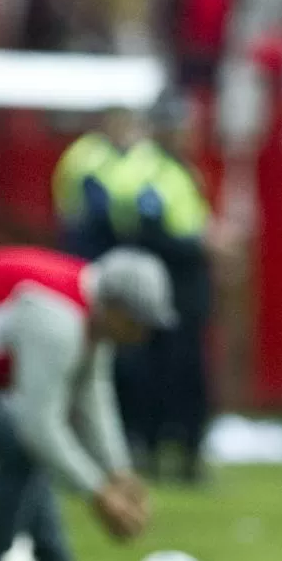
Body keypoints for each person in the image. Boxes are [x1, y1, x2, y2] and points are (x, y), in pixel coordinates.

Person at [0, 246, 161, 561]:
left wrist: (119, 472)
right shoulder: (58, 320)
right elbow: (40, 428)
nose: (141, 337)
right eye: (138, 324)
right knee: (24, 448)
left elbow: (94, 396)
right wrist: (99, 494)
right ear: (117, 310)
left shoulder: (91, 303)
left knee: (30, 449)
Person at [108, 94, 224, 480]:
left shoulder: (180, 170)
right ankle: (153, 449)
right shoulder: (148, 171)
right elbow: (149, 232)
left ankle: (183, 450)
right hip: (166, 284)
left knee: (186, 373)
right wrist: (202, 244)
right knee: (158, 371)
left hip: (188, 285)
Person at [52, 107, 144, 260]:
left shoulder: (96, 149)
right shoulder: (93, 154)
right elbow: (99, 207)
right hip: (87, 236)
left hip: (82, 231)